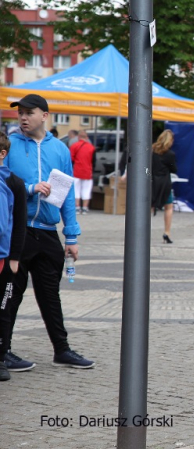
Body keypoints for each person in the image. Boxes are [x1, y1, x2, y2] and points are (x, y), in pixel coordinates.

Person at [4, 94, 94, 370]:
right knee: (9, 295)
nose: (23, 117)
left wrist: (72, 236)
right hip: (17, 233)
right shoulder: (9, 145)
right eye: (20, 112)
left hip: (47, 232)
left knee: (50, 295)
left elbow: (66, 195)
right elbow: (2, 182)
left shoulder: (61, 150)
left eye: (29, 112)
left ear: (45, 115)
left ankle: (62, 349)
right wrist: (31, 188)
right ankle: (3, 350)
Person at [0, 131, 27, 381]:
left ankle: (1, 357)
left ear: (2, 154)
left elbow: (19, 224)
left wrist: (15, 258)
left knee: (3, 309)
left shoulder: (14, 183)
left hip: (4, 258)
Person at [151, 130, 178, 244]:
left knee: (149, 207)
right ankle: (166, 232)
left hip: (151, 182)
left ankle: (143, 232)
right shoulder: (170, 154)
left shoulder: (151, 151)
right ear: (170, 141)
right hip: (164, 183)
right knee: (169, 207)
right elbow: (174, 169)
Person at [69, 130, 96, 215]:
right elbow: (94, 161)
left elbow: (71, 160)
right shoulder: (92, 148)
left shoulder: (74, 146)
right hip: (87, 172)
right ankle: (85, 208)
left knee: (76, 190)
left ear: (79, 137)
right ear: (87, 138)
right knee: (86, 190)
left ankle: (77, 208)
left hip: (77, 171)